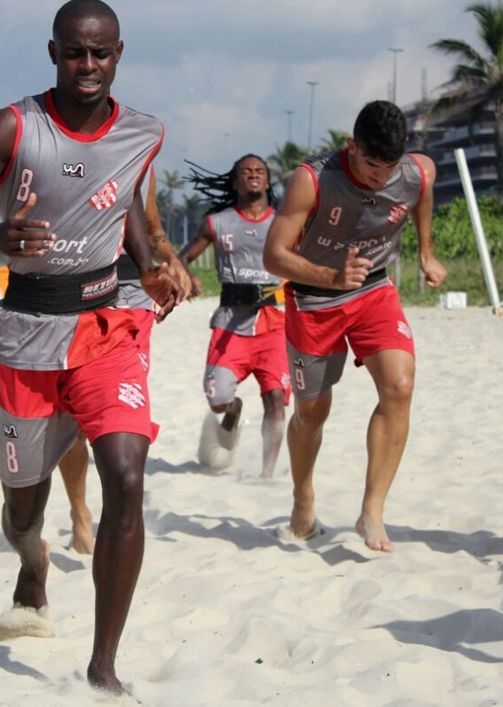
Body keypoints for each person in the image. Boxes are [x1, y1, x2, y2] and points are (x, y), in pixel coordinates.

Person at [0, 0, 183, 694]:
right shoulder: (13, 126)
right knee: (22, 510)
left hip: (108, 328)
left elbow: (123, 199)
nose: (89, 65)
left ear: (119, 55)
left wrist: (153, 261)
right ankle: (33, 564)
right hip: (24, 338)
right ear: (54, 54)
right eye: (76, 53)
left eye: (101, 53)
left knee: (127, 478)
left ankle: (103, 666)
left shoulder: (143, 132)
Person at [263, 100, 447, 552]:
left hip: (373, 291)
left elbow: (423, 188)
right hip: (314, 300)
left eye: (389, 166)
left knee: (399, 387)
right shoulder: (312, 180)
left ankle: (372, 510)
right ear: (351, 146)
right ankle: (303, 498)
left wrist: (426, 250)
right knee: (311, 414)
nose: (380, 176)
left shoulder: (416, 170)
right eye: (370, 163)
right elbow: (274, 256)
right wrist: (330, 276)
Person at [57, 164, 191, 555]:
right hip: (76, 289)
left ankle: (119, 514)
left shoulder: (140, 161)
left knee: (121, 411)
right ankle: (80, 511)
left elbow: (153, 228)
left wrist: (172, 259)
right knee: (73, 419)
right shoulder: (62, 159)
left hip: (134, 292)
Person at [177, 154, 291, 478]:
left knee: (276, 398)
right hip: (229, 324)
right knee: (217, 398)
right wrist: (189, 277)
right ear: (235, 182)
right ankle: (233, 410)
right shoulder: (217, 222)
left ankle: (267, 474)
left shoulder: (284, 223)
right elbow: (182, 257)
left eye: (259, 172)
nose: (253, 175)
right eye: (246, 172)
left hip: (273, 324)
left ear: (267, 182)